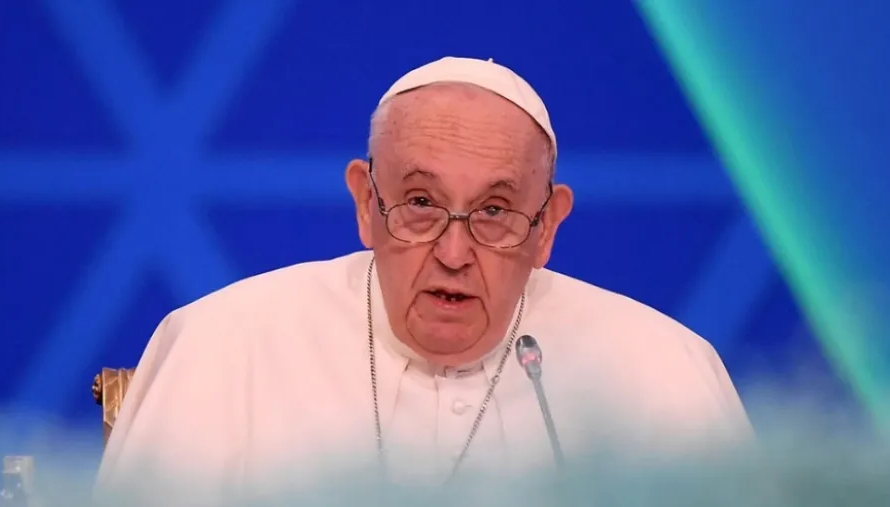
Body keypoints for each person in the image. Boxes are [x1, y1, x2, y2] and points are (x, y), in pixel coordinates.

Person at [95, 56, 753, 499]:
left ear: (547, 225)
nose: (454, 252)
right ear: (365, 202)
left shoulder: (660, 369)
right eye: (420, 203)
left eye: (494, 211)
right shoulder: (226, 343)